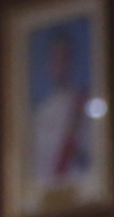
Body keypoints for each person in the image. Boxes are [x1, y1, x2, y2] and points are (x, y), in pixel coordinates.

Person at [28, 29, 93, 201]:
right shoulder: (39, 113)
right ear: (48, 65)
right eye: (55, 60)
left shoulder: (83, 104)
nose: (60, 66)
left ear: (71, 62)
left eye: (64, 59)